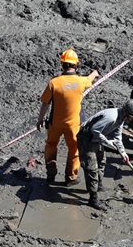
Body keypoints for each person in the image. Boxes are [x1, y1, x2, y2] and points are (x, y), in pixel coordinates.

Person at [36, 48, 99, 186]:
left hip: (55, 124)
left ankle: (51, 173)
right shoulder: (81, 82)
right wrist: (95, 73)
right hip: (73, 125)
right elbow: (90, 79)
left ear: (62, 64)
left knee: (51, 145)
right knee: (74, 149)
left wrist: (40, 120)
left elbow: (45, 103)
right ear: (76, 65)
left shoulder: (54, 82)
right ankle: (70, 177)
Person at [77, 99, 133, 211]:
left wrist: (123, 152)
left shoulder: (121, 119)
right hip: (86, 139)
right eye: (131, 117)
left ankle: (99, 185)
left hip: (97, 139)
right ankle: (93, 199)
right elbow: (94, 130)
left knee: (102, 162)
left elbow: (117, 137)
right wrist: (107, 142)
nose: (131, 120)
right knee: (91, 169)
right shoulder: (111, 117)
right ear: (126, 113)